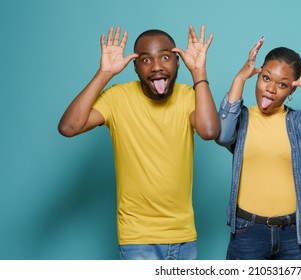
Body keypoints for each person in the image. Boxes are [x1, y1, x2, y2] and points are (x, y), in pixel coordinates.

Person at [58, 25, 220, 260]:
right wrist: (104, 73)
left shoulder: (188, 96)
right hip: (137, 237)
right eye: (146, 60)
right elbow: (68, 127)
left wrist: (199, 73)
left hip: (183, 234)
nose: (156, 66)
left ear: (177, 62)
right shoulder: (117, 97)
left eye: (165, 57)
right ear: (134, 67)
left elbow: (209, 131)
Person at [215, 37, 301, 260]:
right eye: (266, 78)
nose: (271, 89)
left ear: (292, 89)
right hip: (247, 231)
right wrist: (240, 77)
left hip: (292, 234)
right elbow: (222, 135)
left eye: (282, 84)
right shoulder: (242, 119)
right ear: (257, 76)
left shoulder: (298, 122)